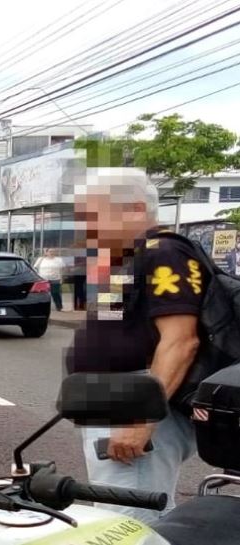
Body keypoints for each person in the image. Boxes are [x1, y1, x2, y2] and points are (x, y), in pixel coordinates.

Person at [64, 168, 204, 523]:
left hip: (134, 403)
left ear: (135, 208)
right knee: (126, 513)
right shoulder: (135, 255)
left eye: (95, 216)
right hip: (116, 399)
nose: (88, 228)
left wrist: (143, 420)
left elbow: (181, 341)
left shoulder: (165, 252)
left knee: (126, 520)